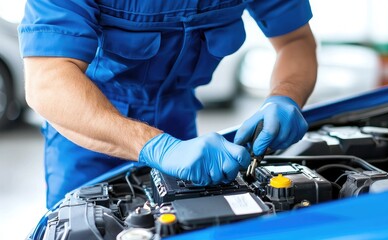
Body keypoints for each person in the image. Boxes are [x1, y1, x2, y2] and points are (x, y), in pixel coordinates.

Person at [19, 0, 317, 209]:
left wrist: (285, 96)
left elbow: (296, 41)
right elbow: (47, 80)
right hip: (89, 131)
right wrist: (159, 147)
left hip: (179, 121)